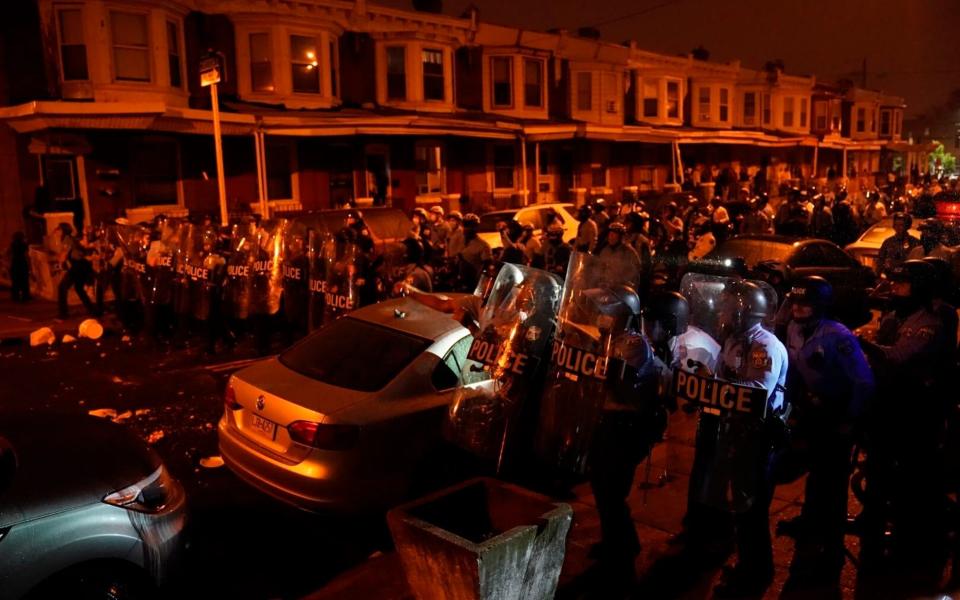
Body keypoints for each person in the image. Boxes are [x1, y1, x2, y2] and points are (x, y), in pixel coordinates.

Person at [776, 276, 874, 587]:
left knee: (831, 482)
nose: (797, 308)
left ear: (820, 306)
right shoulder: (793, 327)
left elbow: (863, 382)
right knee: (813, 474)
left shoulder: (837, 336)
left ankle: (831, 549)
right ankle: (811, 524)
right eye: (794, 302)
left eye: (805, 304)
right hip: (810, 412)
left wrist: (850, 420)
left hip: (836, 414)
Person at [857, 260, 952, 571]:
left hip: (916, 415)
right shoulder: (898, 314)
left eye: (902, 283)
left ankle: (909, 552)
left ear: (921, 287)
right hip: (888, 409)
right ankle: (875, 541)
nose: (895, 288)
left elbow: (897, 357)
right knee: (878, 476)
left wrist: (857, 343)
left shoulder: (933, 321)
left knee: (910, 484)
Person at [711, 280, 788, 598]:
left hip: (759, 436)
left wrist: (717, 389)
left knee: (752, 509)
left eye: (730, 306)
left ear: (746, 310)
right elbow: (718, 376)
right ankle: (747, 564)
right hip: (735, 432)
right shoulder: (733, 339)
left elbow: (757, 392)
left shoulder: (764, 345)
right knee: (740, 505)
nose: (724, 311)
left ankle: (757, 572)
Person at [585, 285, 665, 585]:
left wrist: (595, 364)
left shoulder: (632, 344)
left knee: (612, 490)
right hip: (607, 423)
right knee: (601, 486)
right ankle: (616, 541)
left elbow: (619, 385)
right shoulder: (608, 340)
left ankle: (622, 553)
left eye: (607, 313)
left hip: (626, 427)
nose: (600, 317)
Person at [55, 223, 97, 319]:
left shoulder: (67, 239)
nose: (56, 232)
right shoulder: (70, 239)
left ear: (63, 231)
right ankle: (92, 310)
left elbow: (63, 255)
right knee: (79, 288)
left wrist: (59, 262)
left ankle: (63, 314)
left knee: (62, 287)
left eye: (58, 229)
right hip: (83, 265)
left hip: (79, 265)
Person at [597, 222, 646, 298]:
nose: (611, 236)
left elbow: (634, 275)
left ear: (621, 237)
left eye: (614, 234)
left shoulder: (629, 253)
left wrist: (617, 283)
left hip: (621, 294)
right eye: (610, 234)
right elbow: (600, 268)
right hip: (605, 291)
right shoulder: (605, 250)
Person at [876, 212, 920, 276]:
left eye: (901, 225)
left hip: (908, 279)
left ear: (907, 226)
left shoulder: (915, 242)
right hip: (891, 279)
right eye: (896, 225)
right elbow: (880, 261)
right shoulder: (888, 242)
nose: (898, 228)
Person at [457, 213, 492, 291]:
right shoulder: (459, 241)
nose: (466, 228)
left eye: (470, 226)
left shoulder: (483, 245)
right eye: (465, 225)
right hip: (459, 284)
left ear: (476, 228)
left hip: (474, 285)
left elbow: (487, 267)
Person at [9, 232, 30, 302]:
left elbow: (9, 253)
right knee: (24, 280)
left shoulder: (13, 244)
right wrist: (30, 265)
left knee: (15, 280)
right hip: (22, 262)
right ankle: (25, 296)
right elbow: (27, 254)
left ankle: (15, 296)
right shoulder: (24, 244)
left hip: (15, 263)